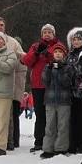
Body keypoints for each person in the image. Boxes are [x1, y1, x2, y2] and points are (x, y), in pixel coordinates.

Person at [21, 24, 59, 152]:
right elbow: (26, 61)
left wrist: (48, 54)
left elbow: (60, 60)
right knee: (40, 114)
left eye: (49, 32)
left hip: (53, 85)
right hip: (38, 85)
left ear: (53, 34)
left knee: (53, 114)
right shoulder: (35, 46)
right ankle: (39, 141)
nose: (47, 34)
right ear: (41, 34)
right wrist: (36, 53)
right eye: (45, 32)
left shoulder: (58, 45)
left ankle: (52, 140)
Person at [40, 42, 74, 158]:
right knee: (49, 125)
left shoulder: (68, 67)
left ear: (64, 54)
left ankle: (61, 148)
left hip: (64, 101)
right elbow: (45, 81)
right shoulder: (47, 66)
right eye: (56, 52)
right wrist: (50, 70)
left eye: (60, 52)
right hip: (50, 100)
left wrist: (60, 71)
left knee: (63, 125)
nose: (58, 54)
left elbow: (67, 83)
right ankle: (48, 148)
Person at [66, 27, 82, 154]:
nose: (76, 42)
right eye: (74, 39)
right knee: (72, 118)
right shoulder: (69, 54)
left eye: (78, 40)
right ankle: (72, 144)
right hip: (70, 91)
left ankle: (81, 144)